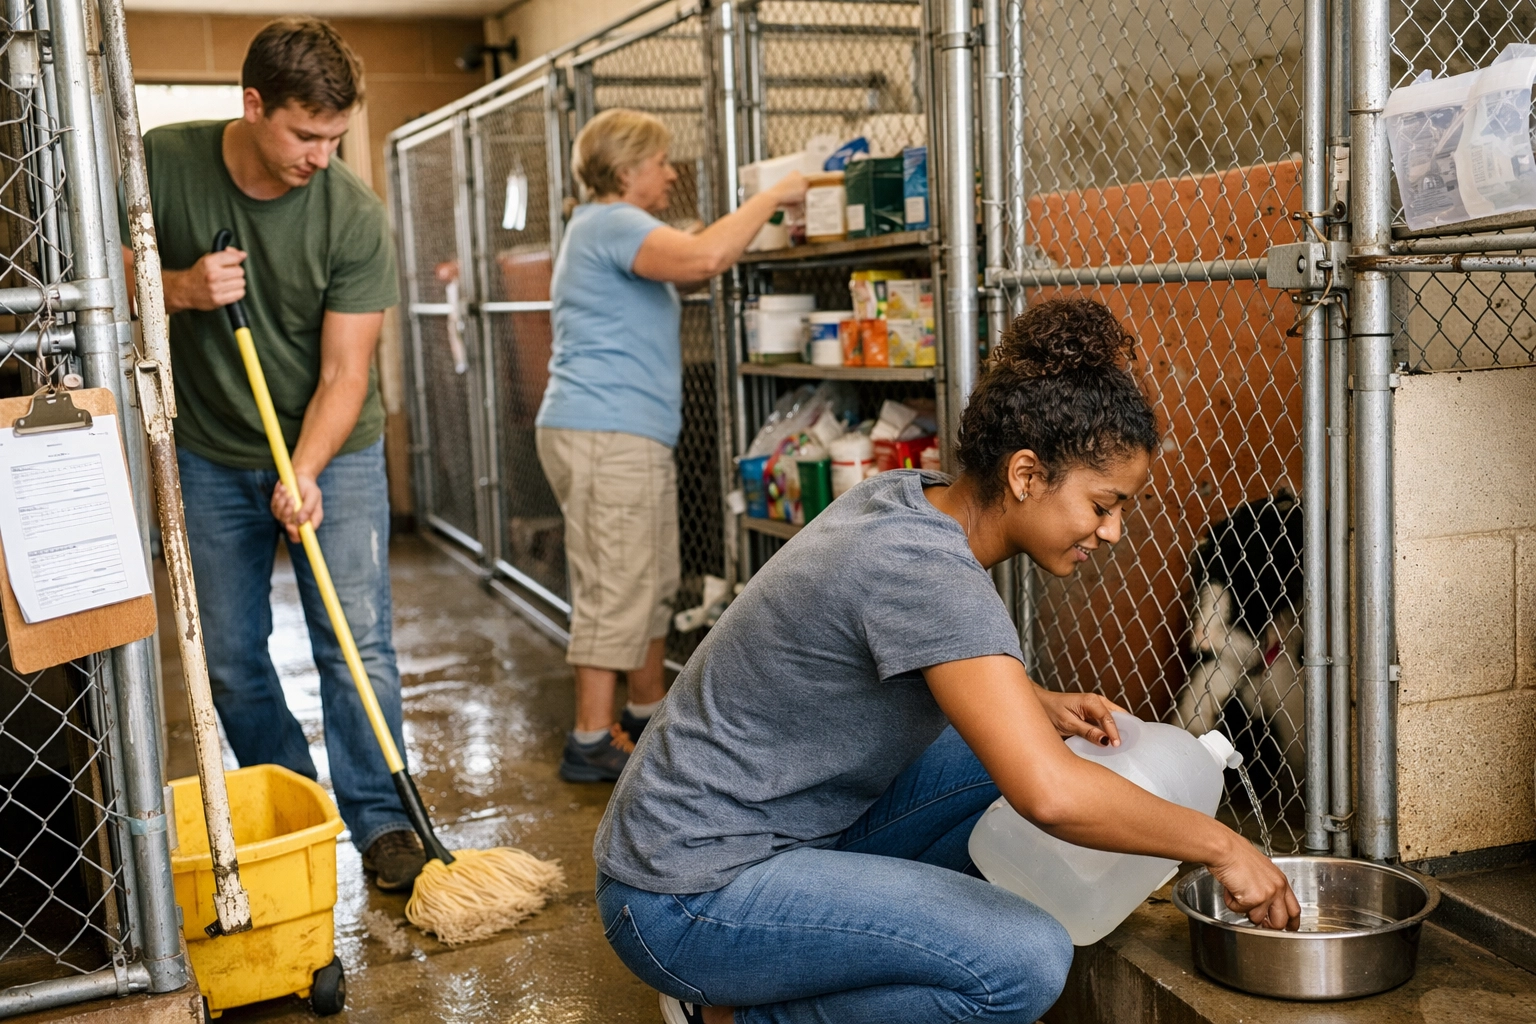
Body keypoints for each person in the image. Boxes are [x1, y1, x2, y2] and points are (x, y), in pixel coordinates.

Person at [593, 297, 1302, 1024]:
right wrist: (1222, 846)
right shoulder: (928, 575)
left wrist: (1035, 701)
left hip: (753, 832)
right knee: (1021, 961)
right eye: (1103, 504)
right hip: (683, 894)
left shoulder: (910, 503)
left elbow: (916, 652)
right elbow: (1049, 797)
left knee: (1030, 741)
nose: (1114, 531)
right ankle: (730, 1015)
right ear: (1026, 475)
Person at [120, 19, 425, 892]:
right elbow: (100, 283)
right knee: (226, 656)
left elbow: (346, 370)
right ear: (252, 105)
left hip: (337, 447)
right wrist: (175, 288)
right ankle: (299, 802)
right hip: (212, 448)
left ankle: (383, 821)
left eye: (335, 137)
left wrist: (307, 469)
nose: (322, 156)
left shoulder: (353, 216)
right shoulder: (162, 165)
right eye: (305, 134)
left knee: (356, 644)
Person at [535, 108, 808, 782]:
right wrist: (773, 195)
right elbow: (707, 258)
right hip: (605, 432)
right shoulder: (612, 221)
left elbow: (689, 267)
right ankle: (590, 741)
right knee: (615, 586)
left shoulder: (611, 228)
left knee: (650, 580)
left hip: (621, 431)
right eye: (659, 163)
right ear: (627, 172)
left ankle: (643, 710)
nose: (670, 173)